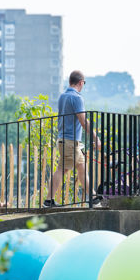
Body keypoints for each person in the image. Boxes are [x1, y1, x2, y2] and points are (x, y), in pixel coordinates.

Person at [43, 70, 102, 207]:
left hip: (67, 140)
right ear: (81, 82)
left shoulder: (63, 96)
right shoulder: (77, 98)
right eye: (84, 83)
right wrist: (96, 138)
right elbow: (83, 121)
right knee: (62, 169)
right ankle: (48, 201)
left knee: (81, 168)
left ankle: (93, 198)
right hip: (70, 141)